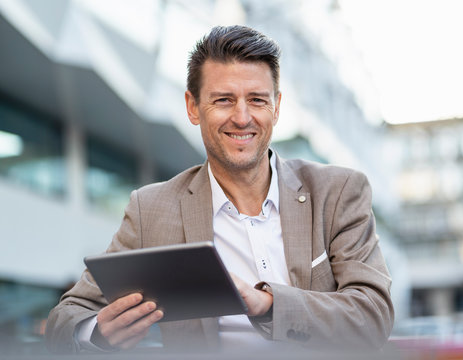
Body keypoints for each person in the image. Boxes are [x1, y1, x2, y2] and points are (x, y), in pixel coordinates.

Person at [45, 25, 394, 354]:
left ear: (276, 106)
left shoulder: (337, 192)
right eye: (224, 100)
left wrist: (268, 303)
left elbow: (373, 315)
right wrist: (97, 332)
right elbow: (66, 318)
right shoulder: (151, 209)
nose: (242, 118)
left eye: (257, 100)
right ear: (193, 107)